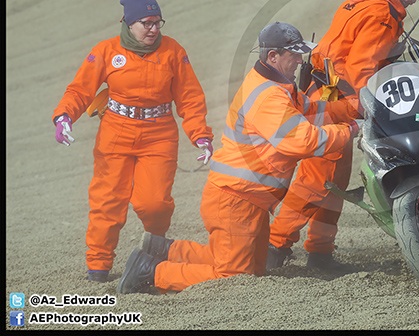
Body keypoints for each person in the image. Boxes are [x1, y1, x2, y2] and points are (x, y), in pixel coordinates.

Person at [116, 22, 361, 294]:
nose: (299, 61)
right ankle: (150, 273)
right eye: (294, 56)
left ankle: (161, 249)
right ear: (273, 57)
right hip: (236, 199)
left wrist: (350, 109)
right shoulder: (270, 96)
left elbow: (312, 109)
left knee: (251, 269)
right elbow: (303, 141)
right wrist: (350, 130)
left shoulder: (278, 86)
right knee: (233, 275)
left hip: (245, 198)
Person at [266, 0, 419, 271]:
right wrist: (373, 108)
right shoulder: (383, 14)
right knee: (318, 181)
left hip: (324, 94)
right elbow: (361, 69)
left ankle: (320, 252)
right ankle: (274, 246)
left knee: (333, 181)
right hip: (338, 100)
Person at [52, 0, 214, 283]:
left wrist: (200, 135)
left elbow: (190, 98)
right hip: (115, 132)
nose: (153, 29)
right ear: (129, 22)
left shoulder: (173, 51)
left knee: (154, 203)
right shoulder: (105, 51)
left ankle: (155, 245)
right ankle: (98, 268)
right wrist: (64, 116)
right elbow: (80, 89)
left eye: (157, 22)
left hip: (159, 134)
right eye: (146, 23)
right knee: (107, 202)